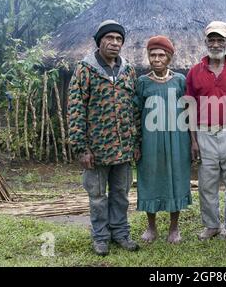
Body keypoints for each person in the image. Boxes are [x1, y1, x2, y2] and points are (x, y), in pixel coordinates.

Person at [68, 20, 140, 256]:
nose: (114, 43)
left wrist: (135, 142)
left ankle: (120, 233)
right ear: (99, 41)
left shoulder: (128, 71)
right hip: (96, 150)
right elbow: (76, 109)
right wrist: (82, 147)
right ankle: (100, 237)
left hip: (123, 148)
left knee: (121, 194)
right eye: (109, 38)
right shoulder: (85, 70)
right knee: (98, 196)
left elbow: (135, 109)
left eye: (119, 39)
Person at [186, 21, 226, 245]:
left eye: (220, 39)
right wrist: (193, 139)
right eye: (211, 39)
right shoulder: (195, 72)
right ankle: (211, 225)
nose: (215, 43)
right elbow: (190, 107)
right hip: (205, 133)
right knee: (206, 183)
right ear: (205, 42)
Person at [134, 35, 192, 244]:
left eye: (161, 55)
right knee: (150, 178)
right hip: (150, 140)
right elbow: (136, 113)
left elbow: (188, 111)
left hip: (177, 139)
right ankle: (151, 227)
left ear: (169, 58)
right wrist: (137, 143)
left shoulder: (180, 81)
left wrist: (192, 141)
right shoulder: (142, 82)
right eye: (152, 54)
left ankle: (174, 228)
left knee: (175, 178)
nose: (156, 58)